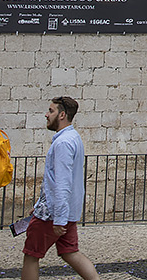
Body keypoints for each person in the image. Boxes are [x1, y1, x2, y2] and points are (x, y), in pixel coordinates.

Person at [22, 96, 101, 280]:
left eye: (51, 111)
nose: (46, 115)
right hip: (65, 211)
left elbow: (62, 182)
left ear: (62, 115)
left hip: (53, 214)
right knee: (70, 252)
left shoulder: (63, 143)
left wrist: (59, 218)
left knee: (31, 255)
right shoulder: (73, 138)